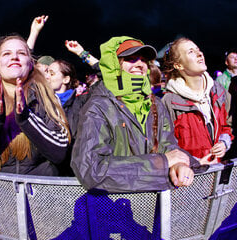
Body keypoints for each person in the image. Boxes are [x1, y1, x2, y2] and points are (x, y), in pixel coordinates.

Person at [71, 36, 199, 193]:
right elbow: (91, 170)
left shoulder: (155, 104)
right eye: (131, 59)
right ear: (115, 65)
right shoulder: (98, 107)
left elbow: (168, 145)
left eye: (143, 60)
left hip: (153, 204)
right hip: (113, 207)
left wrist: (180, 164)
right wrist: (161, 163)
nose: (140, 65)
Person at [0, 35, 70, 175]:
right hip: (0, 192)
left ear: (30, 63)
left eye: (21, 53)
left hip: (40, 192)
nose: (14, 57)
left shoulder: (47, 98)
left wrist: (25, 117)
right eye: (6, 53)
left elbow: (60, 152)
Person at [161, 38, 233, 164]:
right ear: (178, 65)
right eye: (191, 52)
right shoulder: (169, 102)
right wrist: (195, 163)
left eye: (198, 50)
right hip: (191, 179)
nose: (200, 54)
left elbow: (228, 125)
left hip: (218, 173)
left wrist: (224, 142)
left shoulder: (219, 91)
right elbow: (165, 145)